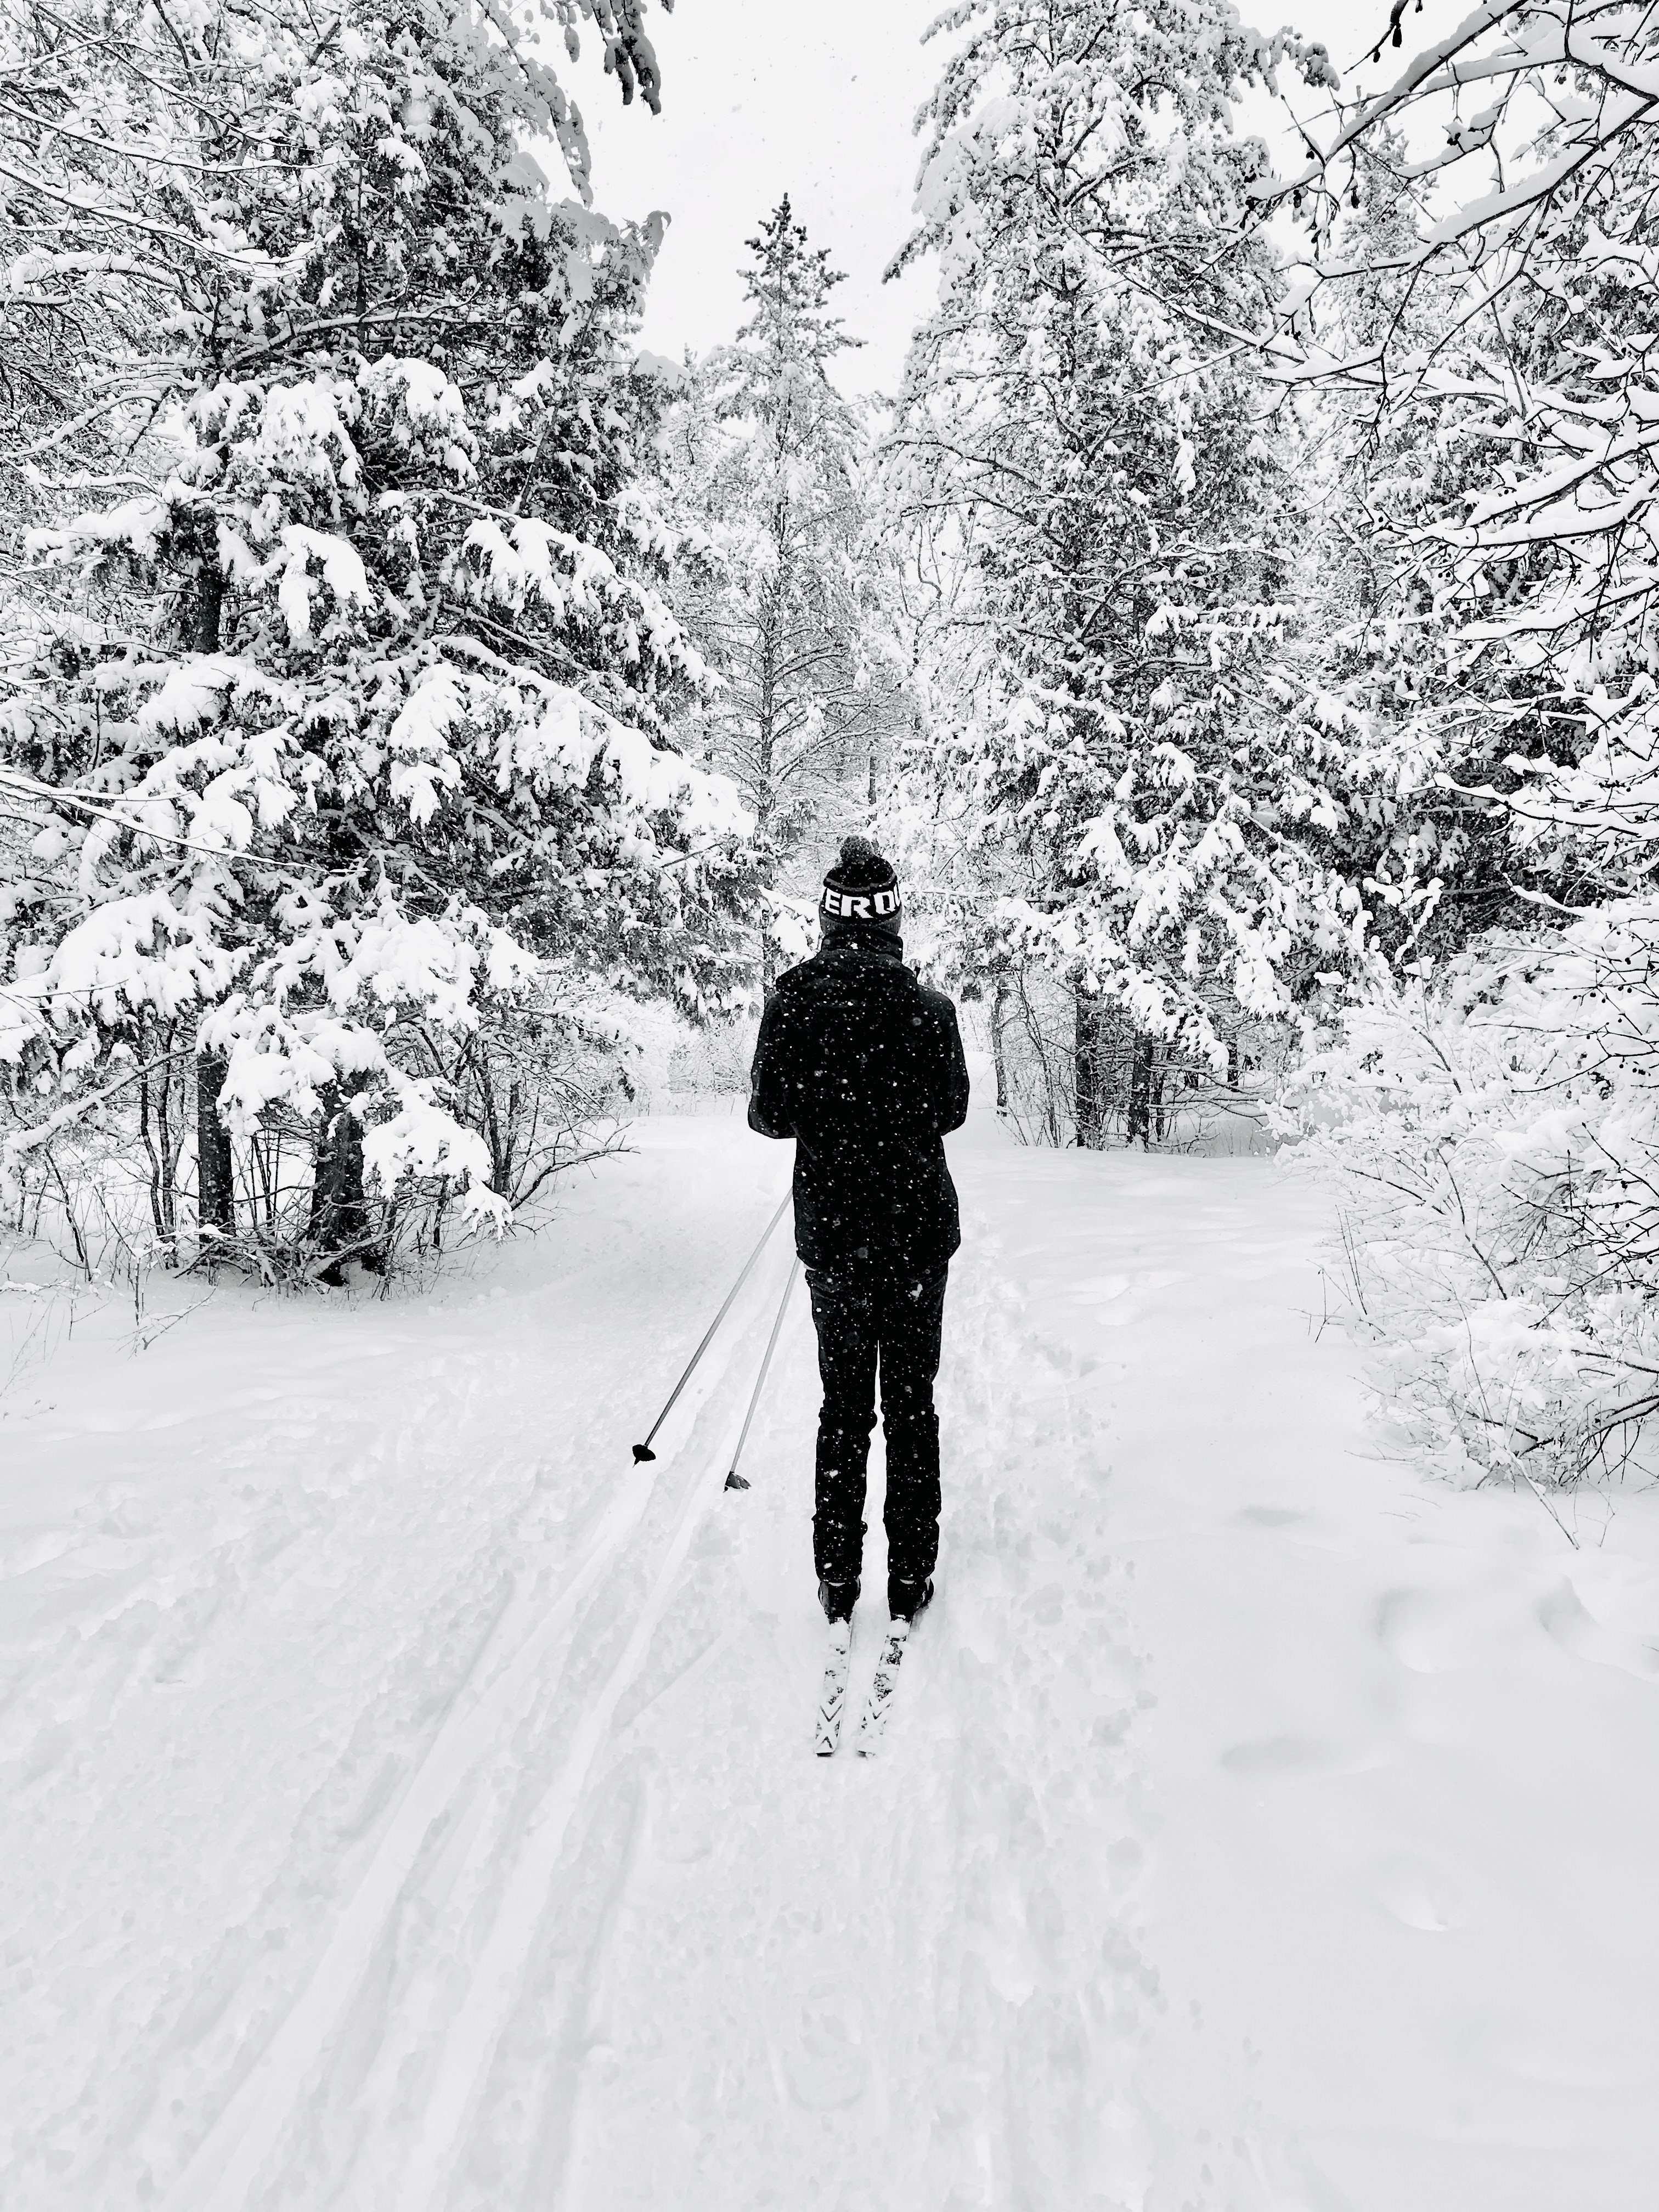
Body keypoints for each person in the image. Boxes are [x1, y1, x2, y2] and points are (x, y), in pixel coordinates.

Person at [747, 836, 970, 1629]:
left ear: (829, 918)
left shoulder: (793, 1001)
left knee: (844, 1409)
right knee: (912, 1406)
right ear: (891, 921)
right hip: (914, 1235)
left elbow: (769, 1116)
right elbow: (951, 1111)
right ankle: (910, 1579)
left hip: (838, 1237)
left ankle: (837, 1580)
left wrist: (831, 1109)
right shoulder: (928, 1008)